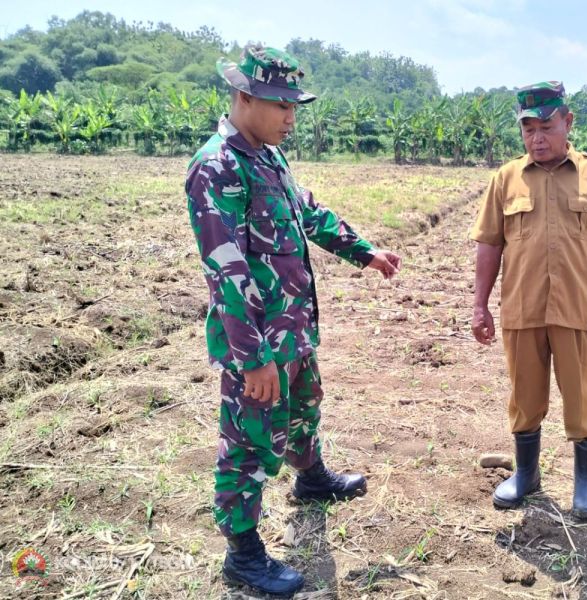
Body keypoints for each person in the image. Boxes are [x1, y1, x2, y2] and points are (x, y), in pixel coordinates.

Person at [185, 45, 401, 597]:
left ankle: (311, 479)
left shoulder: (269, 157)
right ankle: (243, 554)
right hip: (256, 340)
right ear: (242, 97)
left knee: (305, 407)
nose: (290, 117)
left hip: (294, 327)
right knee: (249, 443)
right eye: (280, 105)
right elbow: (226, 273)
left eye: (293, 106)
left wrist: (364, 252)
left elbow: (308, 213)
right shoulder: (218, 167)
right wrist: (253, 358)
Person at [470, 81, 587, 520]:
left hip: (578, 310)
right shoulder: (506, 178)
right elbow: (489, 244)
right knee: (525, 397)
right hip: (522, 308)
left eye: (546, 126)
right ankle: (526, 474)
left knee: (583, 397)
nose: (536, 138)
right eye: (528, 129)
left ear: (568, 122)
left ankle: (584, 481)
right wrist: (479, 305)